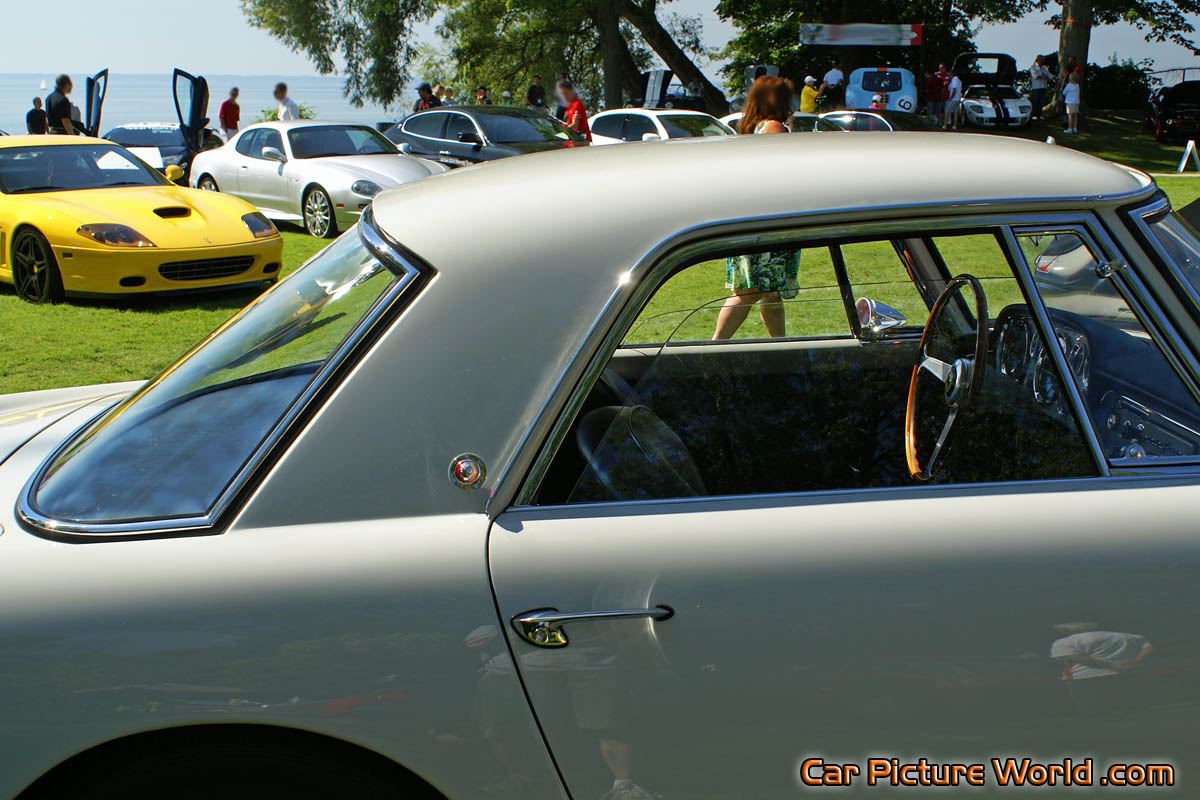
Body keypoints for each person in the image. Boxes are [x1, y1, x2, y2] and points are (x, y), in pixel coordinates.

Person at [714, 76, 801, 341]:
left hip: (755, 217)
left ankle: (780, 345)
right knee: (750, 292)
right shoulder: (774, 128)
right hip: (769, 221)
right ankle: (714, 346)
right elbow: (778, 174)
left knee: (768, 291)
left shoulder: (752, 128)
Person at [1029, 55, 1051, 120]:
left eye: (1043, 60)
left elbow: (1049, 76)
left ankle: (1039, 114)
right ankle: (1034, 115)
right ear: (1037, 60)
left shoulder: (1044, 67)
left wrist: (1046, 77)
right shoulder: (1033, 67)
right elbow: (1036, 76)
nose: (1042, 61)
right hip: (1036, 87)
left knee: (1041, 101)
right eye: (1041, 60)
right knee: (1035, 101)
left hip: (1043, 86)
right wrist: (1044, 77)